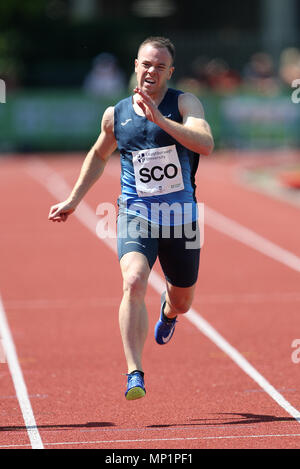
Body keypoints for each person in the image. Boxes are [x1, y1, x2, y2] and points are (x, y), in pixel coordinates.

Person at [48, 37, 214, 401]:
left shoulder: (184, 103)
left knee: (183, 301)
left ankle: (169, 313)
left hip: (180, 217)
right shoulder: (116, 114)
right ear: (135, 65)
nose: (151, 70)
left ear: (170, 71)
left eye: (159, 66)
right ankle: (134, 372)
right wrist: (74, 199)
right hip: (136, 213)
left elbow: (205, 143)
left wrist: (160, 120)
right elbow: (97, 154)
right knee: (134, 280)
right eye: (146, 64)